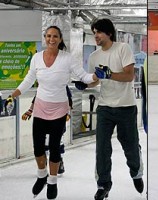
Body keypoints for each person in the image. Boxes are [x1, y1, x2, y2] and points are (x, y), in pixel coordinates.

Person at [7, 25, 99, 200]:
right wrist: (13, 95)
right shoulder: (36, 58)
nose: (51, 39)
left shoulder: (67, 58)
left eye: (55, 36)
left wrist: (96, 75)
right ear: (45, 37)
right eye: (48, 36)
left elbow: (84, 77)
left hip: (59, 108)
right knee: (38, 148)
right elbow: (28, 80)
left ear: (60, 39)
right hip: (41, 107)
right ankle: (42, 175)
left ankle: (53, 180)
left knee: (55, 147)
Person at [73, 18, 144, 200]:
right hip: (105, 107)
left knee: (130, 147)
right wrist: (84, 85)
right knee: (102, 148)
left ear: (109, 33)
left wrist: (110, 74)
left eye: (99, 32)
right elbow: (95, 80)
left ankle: (136, 171)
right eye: (94, 32)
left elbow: (129, 76)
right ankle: (103, 184)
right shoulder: (95, 56)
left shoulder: (122, 49)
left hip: (126, 107)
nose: (96, 35)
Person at [22, 86, 73, 175]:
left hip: (58, 117)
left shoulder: (63, 85)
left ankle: (59, 161)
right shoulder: (42, 85)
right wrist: (30, 110)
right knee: (43, 142)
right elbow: (36, 99)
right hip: (43, 117)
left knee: (58, 142)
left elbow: (69, 100)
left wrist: (68, 113)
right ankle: (43, 163)